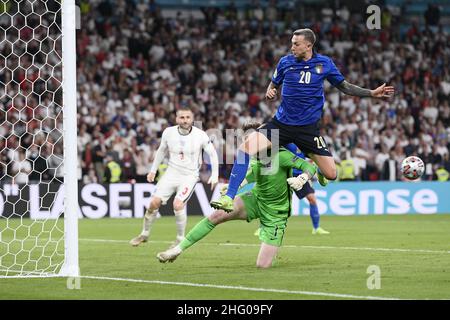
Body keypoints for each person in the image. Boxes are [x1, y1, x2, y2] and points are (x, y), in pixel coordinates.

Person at [211, 28, 394, 212]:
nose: (292, 47)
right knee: (245, 148)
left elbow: (345, 87)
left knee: (331, 174)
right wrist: (270, 90)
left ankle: (320, 170)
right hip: (281, 124)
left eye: (296, 44)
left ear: (308, 45)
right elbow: (274, 83)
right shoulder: (285, 62)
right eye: (292, 43)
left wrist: (371, 93)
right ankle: (229, 197)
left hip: (308, 130)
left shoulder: (324, 63)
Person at [156, 122, 317, 268]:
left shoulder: (281, 155)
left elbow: (308, 167)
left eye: (251, 139)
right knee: (216, 216)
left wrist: (303, 178)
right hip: (255, 199)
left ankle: (271, 252)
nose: (248, 143)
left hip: (276, 212)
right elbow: (252, 173)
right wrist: (236, 185)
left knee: (262, 265)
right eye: (246, 140)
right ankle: (177, 249)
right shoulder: (254, 157)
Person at [129, 106, 219, 247]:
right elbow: (161, 151)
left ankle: (179, 238)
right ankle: (144, 234)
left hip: (189, 175)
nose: (185, 120)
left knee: (177, 204)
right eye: (182, 117)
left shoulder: (200, 135)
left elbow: (212, 154)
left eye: (188, 117)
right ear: (176, 119)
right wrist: (153, 170)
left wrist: (215, 175)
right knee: (154, 203)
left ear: (192, 118)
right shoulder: (168, 132)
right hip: (171, 172)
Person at [254, 145, 330, 236]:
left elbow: (312, 155)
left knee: (312, 199)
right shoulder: (287, 141)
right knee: (272, 202)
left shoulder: (303, 141)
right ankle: (262, 227)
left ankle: (316, 228)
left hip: (300, 176)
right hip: (284, 174)